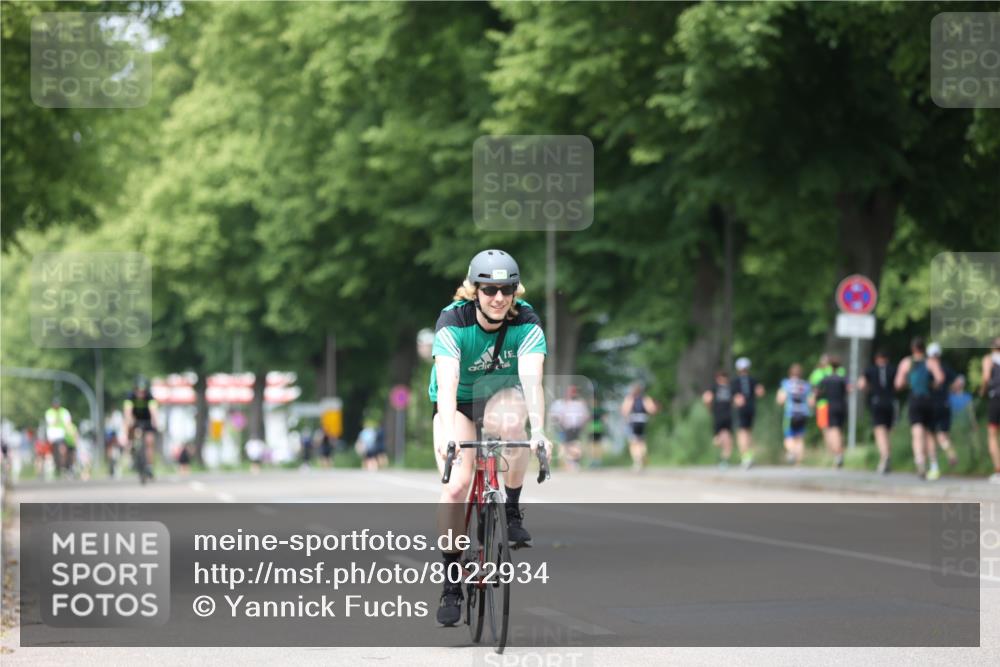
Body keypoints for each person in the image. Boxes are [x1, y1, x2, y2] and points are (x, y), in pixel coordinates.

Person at [429, 249, 551, 626]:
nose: (499, 298)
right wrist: (448, 434)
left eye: (506, 290)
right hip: (458, 403)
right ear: (474, 291)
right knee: (456, 486)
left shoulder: (526, 322)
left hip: (500, 395)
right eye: (489, 290)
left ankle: (510, 507)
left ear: (515, 292)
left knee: (514, 427)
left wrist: (540, 431)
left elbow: (532, 382)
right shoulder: (453, 322)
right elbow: (447, 384)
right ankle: (452, 581)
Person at [895, 337, 945, 480]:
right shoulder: (931, 362)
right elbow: (940, 378)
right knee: (929, 434)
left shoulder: (906, 362)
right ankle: (934, 465)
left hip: (915, 400)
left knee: (917, 433)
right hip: (928, 400)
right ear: (924, 349)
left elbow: (898, 384)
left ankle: (920, 462)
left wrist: (906, 383)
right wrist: (933, 385)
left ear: (912, 348)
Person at [857, 349, 897, 474]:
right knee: (888, 432)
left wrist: (869, 389)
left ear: (876, 359)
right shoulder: (893, 369)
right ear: (887, 359)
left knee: (880, 431)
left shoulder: (870, 370)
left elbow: (861, 385)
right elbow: (899, 384)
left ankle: (884, 457)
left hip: (877, 402)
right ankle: (887, 456)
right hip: (890, 402)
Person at [927, 342, 959, 469]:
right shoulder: (946, 368)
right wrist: (949, 389)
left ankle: (934, 465)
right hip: (945, 404)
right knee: (942, 435)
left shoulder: (927, 368)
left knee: (931, 436)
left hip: (931, 405)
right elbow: (958, 383)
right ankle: (950, 453)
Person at [731, 357, 765, 469]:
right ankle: (749, 456)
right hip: (751, 408)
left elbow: (735, 398)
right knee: (749, 432)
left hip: (742, 409)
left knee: (742, 433)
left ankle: (745, 457)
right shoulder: (753, 380)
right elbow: (760, 392)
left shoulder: (735, 381)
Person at [123, 375, 160, 479]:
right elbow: (127, 412)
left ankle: (149, 466)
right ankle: (131, 446)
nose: (140, 394)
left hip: (147, 420)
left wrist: (155, 422)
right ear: (134, 389)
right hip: (135, 419)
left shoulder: (150, 397)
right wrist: (128, 424)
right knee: (130, 428)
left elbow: (153, 411)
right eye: (138, 391)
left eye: (142, 391)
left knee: (149, 442)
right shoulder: (130, 397)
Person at [815, 357, 848, 468]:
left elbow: (817, 391)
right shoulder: (842, 378)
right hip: (842, 405)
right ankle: (839, 453)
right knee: (840, 430)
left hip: (831, 406)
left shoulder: (826, 379)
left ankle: (838, 454)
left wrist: (818, 398)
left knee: (833, 430)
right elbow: (849, 389)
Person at [776, 363, 811, 466]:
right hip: (803, 413)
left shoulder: (786, 384)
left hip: (790, 414)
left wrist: (780, 401)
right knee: (799, 438)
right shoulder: (805, 385)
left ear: (790, 373)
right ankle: (799, 462)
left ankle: (792, 452)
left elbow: (781, 399)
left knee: (789, 437)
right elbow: (811, 401)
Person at [621, 381, 658, 471]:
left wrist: (626, 419)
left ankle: (637, 460)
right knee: (641, 440)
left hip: (633, 420)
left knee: (634, 442)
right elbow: (652, 410)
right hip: (643, 420)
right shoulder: (645, 399)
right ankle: (642, 455)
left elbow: (625, 410)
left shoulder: (630, 398)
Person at [549, 385, 589, 470]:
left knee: (573, 445)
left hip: (575, 428)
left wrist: (582, 425)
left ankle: (573, 462)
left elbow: (585, 416)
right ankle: (568, 463)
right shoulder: (561, 403)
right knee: (566, 446)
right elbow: (555, 416)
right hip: (564, 427)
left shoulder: (579, 404)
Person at [702, 370, 734, 468]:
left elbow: (706, 398)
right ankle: (724, 458)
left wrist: (709, 408)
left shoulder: (715, 387)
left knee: (722, 439)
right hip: (725, 415)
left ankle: (724, 459)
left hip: (720, 415)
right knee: (724, 439)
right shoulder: (728, 388)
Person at [982, 337, 1000, 483]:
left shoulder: (989, 359)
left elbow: (986, 378)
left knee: (992, 435)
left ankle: (998, 470)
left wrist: (982, 391)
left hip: (996, 399)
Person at [44, 397, 77, 477]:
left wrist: (72, 432)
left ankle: (65, 467)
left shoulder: (64, 411)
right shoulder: (49, 412)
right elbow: (51, 423)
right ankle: (57, 467)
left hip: (63, 434)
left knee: (64, 450)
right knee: (52, 453)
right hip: (52, 435)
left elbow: (68, 423)